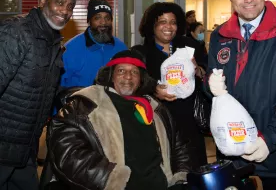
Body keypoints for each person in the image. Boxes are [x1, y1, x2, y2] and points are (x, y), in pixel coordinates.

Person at [42, 50, 191, 190]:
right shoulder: (85, 105)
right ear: (111, 75)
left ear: (141, 80)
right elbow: (67, 152)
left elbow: (179, 148)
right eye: (121, 71)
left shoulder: (156, 109)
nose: (128, 76)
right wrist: (110, 179)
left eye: (134, 72)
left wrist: (180, 179)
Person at [207, 0, 276, 190]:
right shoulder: (220, 35)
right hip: (233, 151)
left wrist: (270, 139)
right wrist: (209, 85)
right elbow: (216, 88)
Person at [0, 0, 76, 190]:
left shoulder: (52, 43)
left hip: (25, 150)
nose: (65, 11)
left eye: (70, 7)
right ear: (43, 1)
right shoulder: (16, 32)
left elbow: (41, 89)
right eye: (60, 2)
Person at [132, 2, 207, 171]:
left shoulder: (190, 47)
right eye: (162, 22)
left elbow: (207, 76)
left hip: (190, 125)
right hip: (157, 126)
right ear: (152, 25)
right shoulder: (141, 53)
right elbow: (133, 86)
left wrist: (197, 69)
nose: (168, 27)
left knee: (194, 174)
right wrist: (153, 89)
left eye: (173, 22)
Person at [60, 0, 127, 87]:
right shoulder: (71, 49)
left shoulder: (121, 48)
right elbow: (59, 85)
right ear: (89, 21)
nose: (103, 22)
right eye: (97, 18)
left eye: (107, 18)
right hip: (80, 99)